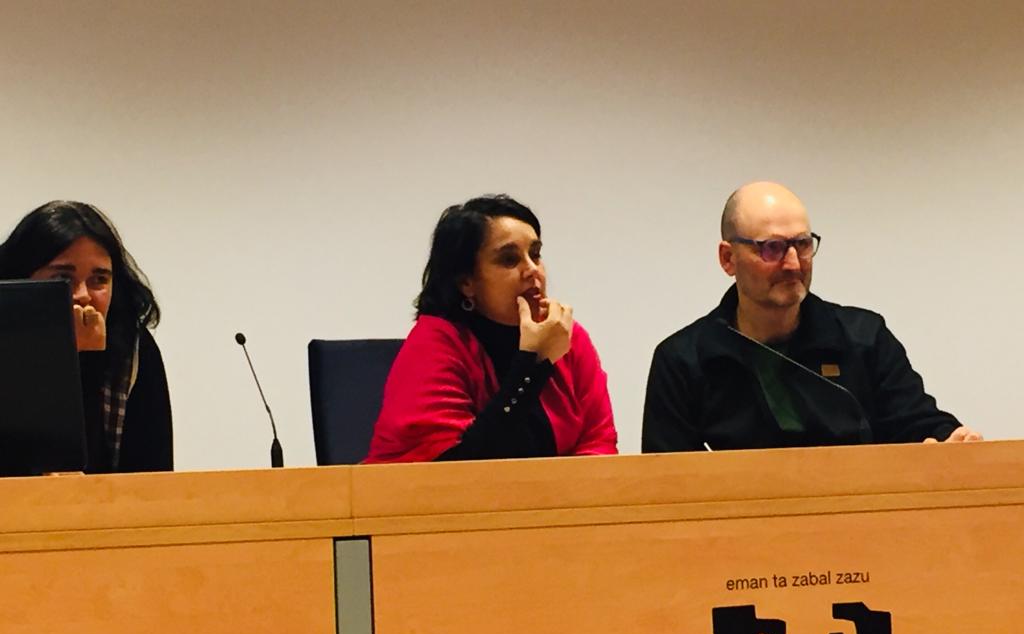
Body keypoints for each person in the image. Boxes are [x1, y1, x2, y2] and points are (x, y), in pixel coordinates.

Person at [642, 181, 981, 452]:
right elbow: (666, 482)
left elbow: (916, 423)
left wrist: (951, 439)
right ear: (728, 259)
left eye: (802, 245)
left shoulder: (864, 337)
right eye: (772, 248)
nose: (793, 264)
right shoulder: (684, 360)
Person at [366, 195, 617, 463]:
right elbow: (458, 467)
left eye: (535, 254)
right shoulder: (436, 343)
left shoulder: (565, 336)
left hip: (551, 490)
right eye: (509, 259)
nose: (532, 270)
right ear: (466, 282)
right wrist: (534, 364)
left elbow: (599, 444)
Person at [0, 201, 173, 472]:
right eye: (63, 278)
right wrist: (62, 360)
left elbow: (152, 472)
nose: (83, 295)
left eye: (99, 280)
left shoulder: (136, 348)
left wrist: (88, 358)